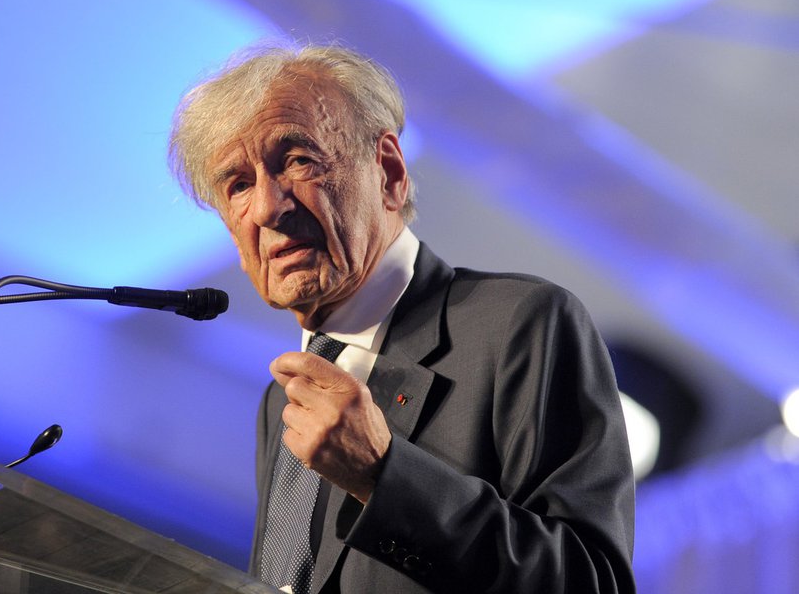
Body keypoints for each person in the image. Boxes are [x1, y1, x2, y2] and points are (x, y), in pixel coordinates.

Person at [169, 42, 635, 594]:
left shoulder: (519, 324)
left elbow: (591, 583)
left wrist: (384, 474)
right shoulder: (282, 400)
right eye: (238, 185)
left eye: (297, 160)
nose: (269, 207)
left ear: (388, 171)